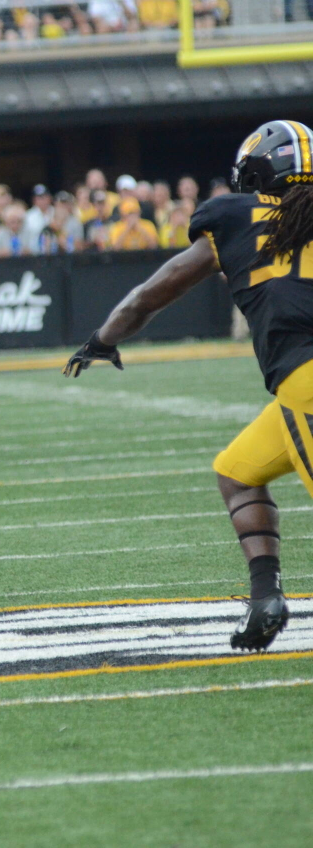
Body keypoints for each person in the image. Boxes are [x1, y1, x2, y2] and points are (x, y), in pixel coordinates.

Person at [64, 119, 313, 652]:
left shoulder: (236, 219)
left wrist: (104, 339)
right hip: (299, 385)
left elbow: (148, 296)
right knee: (238, 473)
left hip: (307, 379)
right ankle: (265, 598)